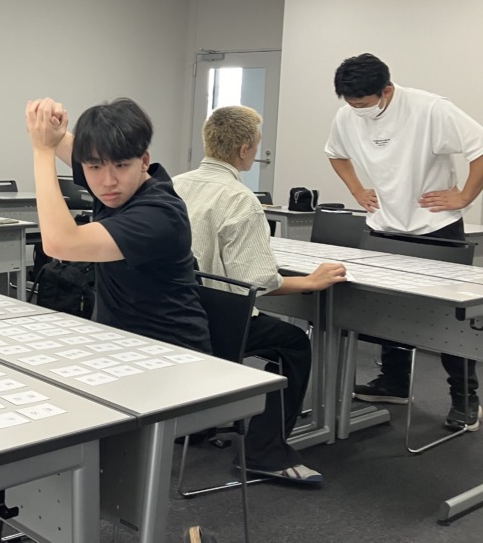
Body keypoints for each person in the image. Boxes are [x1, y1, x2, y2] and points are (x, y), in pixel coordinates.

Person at [173, 106, 347, 484]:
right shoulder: (240, 198)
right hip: (213, 323)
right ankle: (264, 452)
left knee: (276, 334)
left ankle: (195, 425)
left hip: (171, 318)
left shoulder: (173, 185)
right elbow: (257, 282)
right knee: (294, 343)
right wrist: (311, 282)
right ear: (244, 150)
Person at [326, 52, 483, 430]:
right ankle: (394, 382)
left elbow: (480, 149)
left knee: (450, 320)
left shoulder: (431, 109)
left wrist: (464, 196)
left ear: (386, 90)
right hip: (385, 228)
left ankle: (466, 398)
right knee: (389, 311)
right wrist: (358, 190)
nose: (357, 110)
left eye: (363, 103)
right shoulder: (347, 115)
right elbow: (336, 154)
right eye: (351, 103)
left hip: (436, 229)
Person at [25, 97, 211, 354]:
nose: (108, 181)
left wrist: (42, 150)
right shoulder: (120, 186)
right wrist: (48, 125)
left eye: (121, 165)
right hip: (118, 343)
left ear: (144, 161)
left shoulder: (160, 214)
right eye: (95, 167)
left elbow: (60, 244)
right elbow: (73, 145)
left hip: (171, 352)